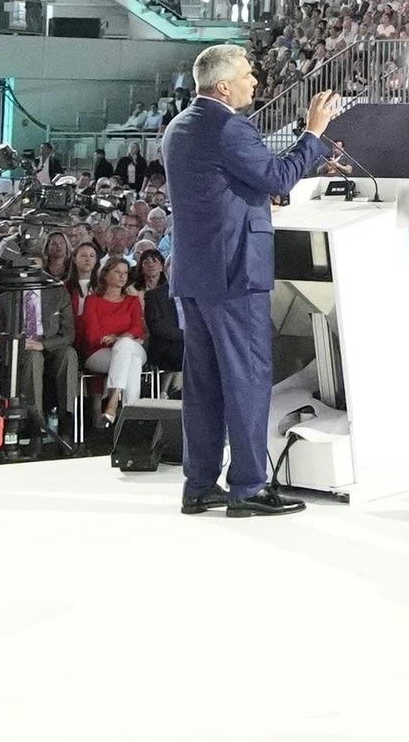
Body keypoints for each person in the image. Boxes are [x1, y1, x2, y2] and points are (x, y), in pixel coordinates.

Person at [164, 41, 345, 519]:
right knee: (246, 378)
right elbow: (280, 177)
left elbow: (218, 189)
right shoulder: (229, 127)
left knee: (203, 384)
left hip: (196, 274)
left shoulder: (180, 127)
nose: (255, 81)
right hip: (235, 271)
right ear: (223, 86)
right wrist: (313, 132)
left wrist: (253, 196)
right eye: (247, 74)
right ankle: (247, 487)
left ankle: (199, 485)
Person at [78, 257, 147, 432]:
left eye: (125, 273)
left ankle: (112, 400)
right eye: (117, 272)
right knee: (132, 360)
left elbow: (138, 329)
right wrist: (125, 338)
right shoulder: (92, 301)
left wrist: (117, 338)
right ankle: (130, 417)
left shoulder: (131, 301)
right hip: (99, 353)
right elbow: (93, 336)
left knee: (125, 346)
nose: (123, 276)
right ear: (106, 274)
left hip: (131, 348)